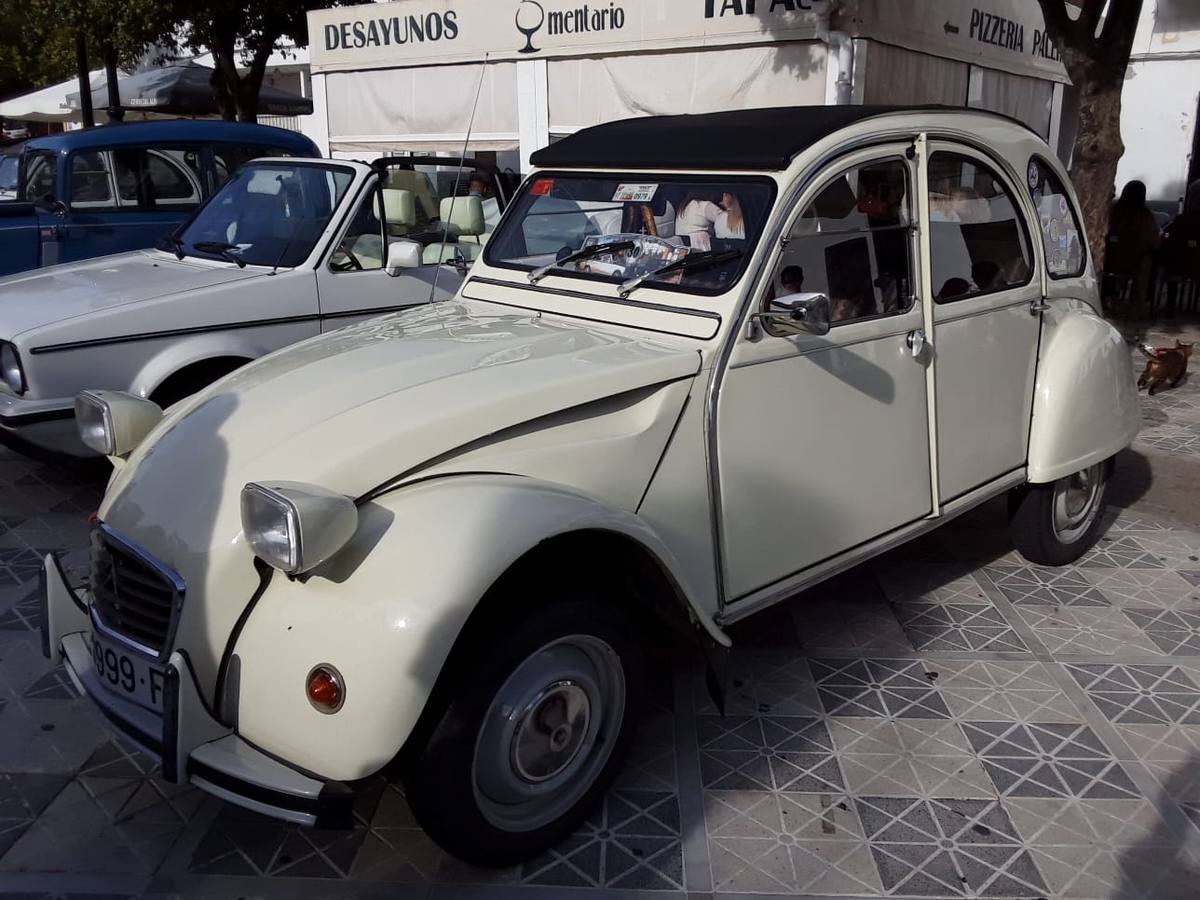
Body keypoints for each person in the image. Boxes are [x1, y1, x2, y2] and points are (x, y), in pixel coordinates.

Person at [1106, 180, 1161, 313]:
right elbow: (1153, 241)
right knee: (1150, 261)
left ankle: (1109, 296)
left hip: (1109, 260)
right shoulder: (1144, 216)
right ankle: (1139, 302)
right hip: (1133, 263)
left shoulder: (1112, 211)